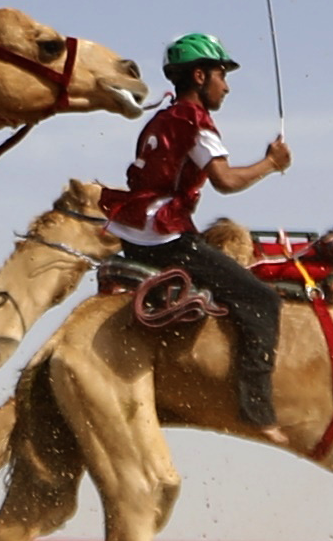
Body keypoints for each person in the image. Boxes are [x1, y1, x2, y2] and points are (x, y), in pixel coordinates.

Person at [97, 33, 297, 434]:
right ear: (201, 76)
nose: (227, 85)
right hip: (165, 235)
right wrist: (271, 164)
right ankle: (257, 412)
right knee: (261, 301)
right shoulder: (195, 120)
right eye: (222, 75)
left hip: (134, 232)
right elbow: (224, 181)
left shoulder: (162, 117)